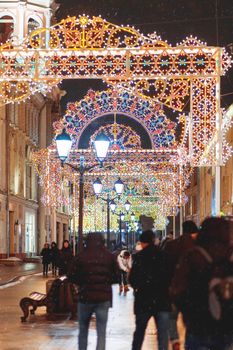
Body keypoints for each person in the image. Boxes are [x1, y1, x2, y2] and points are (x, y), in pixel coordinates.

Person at [171, 217, 233, 350]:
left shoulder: (193, 256)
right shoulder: (229, 255)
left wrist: (190, 313)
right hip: (226, 327)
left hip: (198, 326)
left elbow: (178, 291)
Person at [67, 232, 119, 350]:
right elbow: (116, 277)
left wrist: (82, 282)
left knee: (83, 330)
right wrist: (105, 282)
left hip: (85, 296)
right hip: (103, 298)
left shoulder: (81, 256)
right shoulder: (109, 256)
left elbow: (71, 275)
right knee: (101, 331)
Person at [129, 230, 172, 350]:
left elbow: (132, 279)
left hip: (144, 299)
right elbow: (170, 276)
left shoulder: (138, 257)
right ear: (153, 240)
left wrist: (139, 286)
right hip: (162, 299)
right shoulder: (165, 256)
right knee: (163, 334)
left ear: (142, 243)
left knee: (139, 332)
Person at [162, 220, 199, 350]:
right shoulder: (198, 247)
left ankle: (175, 339)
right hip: (192, 289)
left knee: (172, 317)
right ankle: (190, 343)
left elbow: (164, 267)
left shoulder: (171, 245)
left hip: (174, 287)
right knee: (192, 320)